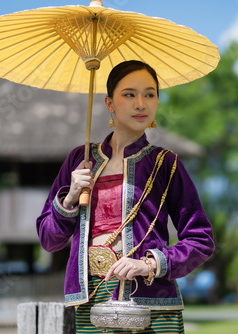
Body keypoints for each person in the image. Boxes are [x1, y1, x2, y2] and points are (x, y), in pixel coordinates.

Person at [36, 60, 214, 333]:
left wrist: (150, 264)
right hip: (90, 301)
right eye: (129, 94)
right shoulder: (79, 160)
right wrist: (70, 197)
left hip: (150, 303)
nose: (141, 103)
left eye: (150, 94)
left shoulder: (166, 164)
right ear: (109, 103)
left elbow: (201, 240)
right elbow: (49, 240)